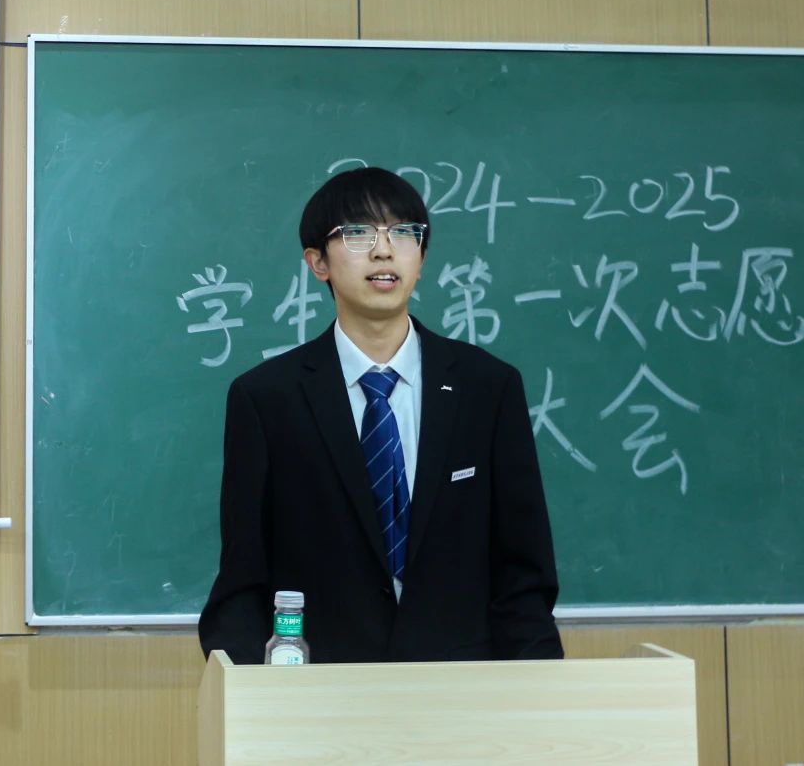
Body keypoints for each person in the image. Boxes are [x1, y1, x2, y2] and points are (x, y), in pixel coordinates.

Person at [198, 166, 563, 664]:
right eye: (358, 233)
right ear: (317, 262)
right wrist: (251, 692)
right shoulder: (266, 398)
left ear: (422, 257)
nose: (384, 250)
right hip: (320, 686)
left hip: (463, 684)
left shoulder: (488, 387)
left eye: (404, 233)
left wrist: (539, 690)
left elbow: (524, 574)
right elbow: (243, 580)